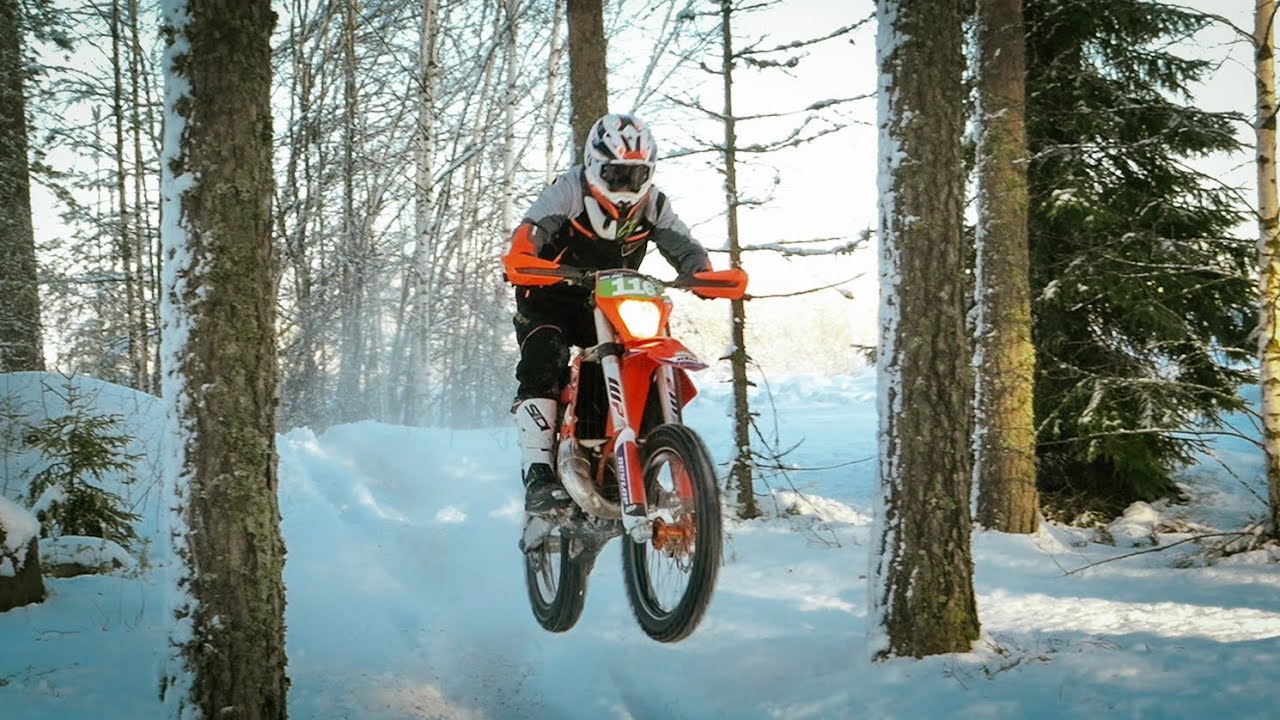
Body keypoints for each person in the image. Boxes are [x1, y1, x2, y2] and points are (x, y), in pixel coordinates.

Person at [502, 112, 715, 513]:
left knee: (645, 354)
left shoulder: (654, 204)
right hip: (551, 294)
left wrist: (700, 272)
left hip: (612, 299)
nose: (625, 185)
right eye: (616, 174)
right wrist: (523, 254)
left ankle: (650, 454)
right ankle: (538, 473)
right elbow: (532, 228)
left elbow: (685, 244)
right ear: (595, 166)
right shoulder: (568, 190)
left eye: (635, 176)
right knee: (544, 353)